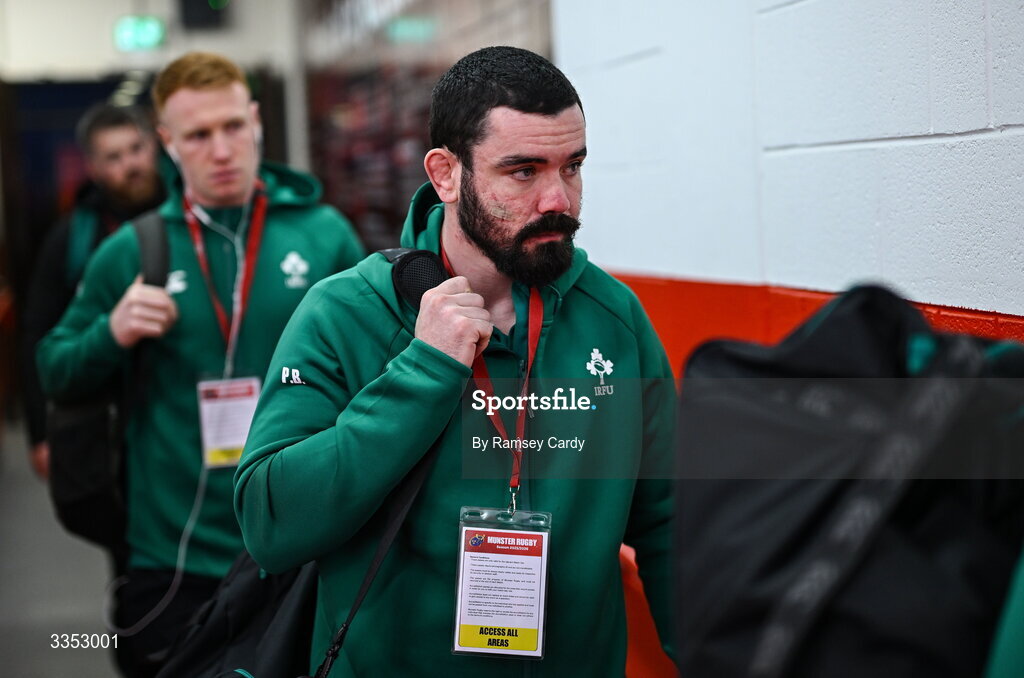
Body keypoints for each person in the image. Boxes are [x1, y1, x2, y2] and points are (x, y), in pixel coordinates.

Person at [235, 46, 675, 676]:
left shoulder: (613, 318)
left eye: (571, 167)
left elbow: (671, 526)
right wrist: (423, 373)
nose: (559, 199)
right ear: (446, 174)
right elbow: (269, 522)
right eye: (523, 172)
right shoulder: (346, 312)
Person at [37, 51, 365, 678]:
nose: (221, 150)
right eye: (198, 135)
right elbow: (55, 368)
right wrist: (110, 333)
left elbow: (371, 375)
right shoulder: (133, 251)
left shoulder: (325, 237)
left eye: (232, 127)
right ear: (167, 142)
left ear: (256, 121)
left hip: (300, 546)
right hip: (174, 555)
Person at [20, 103, 168, 480]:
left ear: (154, 146)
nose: (131, 164)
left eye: (136, 149)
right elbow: (38, 335)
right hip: (107, 419)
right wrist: (40, 433)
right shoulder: (72, 238)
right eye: (114, 157)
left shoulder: (190, 220)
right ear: (93, 168)